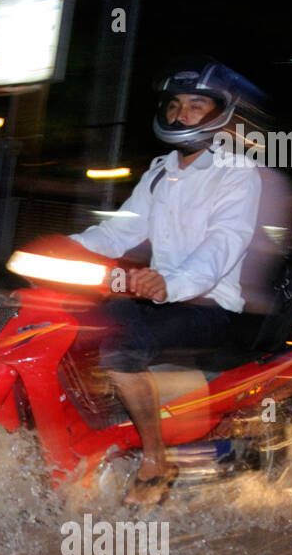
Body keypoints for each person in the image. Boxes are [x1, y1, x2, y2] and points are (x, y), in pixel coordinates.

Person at [69, 56, 270, 506]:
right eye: (176, 104)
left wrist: (170, 284)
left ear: (220, 113)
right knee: (71, 324)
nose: (182, 114)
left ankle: (156, 460)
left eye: (196, 106)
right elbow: (119, 230)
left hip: (206, 305)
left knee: (120, 351)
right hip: (156, 295)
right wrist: (63, 246)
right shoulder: (161, 170)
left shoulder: (237, 175)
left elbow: (223, 244)